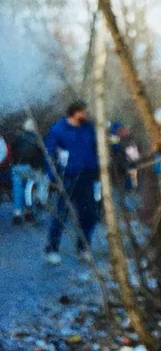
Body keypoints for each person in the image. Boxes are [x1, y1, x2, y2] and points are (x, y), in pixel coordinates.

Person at [43, 100, 100, 265]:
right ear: (75, 113)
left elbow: (96, 147)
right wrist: (53, 178)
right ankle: (52, 249)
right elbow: (50, 154)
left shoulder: (89, 128)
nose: (86, 115)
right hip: (67, 177)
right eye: (83, 112)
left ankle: (83, 248)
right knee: (61, 214)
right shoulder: (58, 130)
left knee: (88, 214)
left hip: (87, 176)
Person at [10, 119, 45, 224]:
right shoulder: (37, 138)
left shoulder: (18, 138)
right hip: (30, 167)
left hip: (16, 167)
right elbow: (41, 154)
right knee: (31, 188)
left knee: (17, 190)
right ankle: (29, 211)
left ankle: (17, 213)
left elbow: (13, 150)